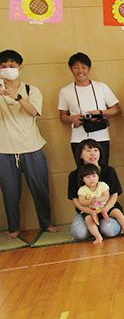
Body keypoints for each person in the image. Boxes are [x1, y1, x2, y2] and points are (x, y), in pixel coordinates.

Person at [0, 50, 59, 239]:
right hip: (5, 150)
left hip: (32, 147)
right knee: (10, 192)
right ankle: (14, 228)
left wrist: (17, 97)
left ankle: (47, 223)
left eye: (12, 65)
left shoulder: (30, 90)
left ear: (20, 66)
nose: (8, 69)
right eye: (3, 66)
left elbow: (33, 112)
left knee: (40, 187)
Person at [57, 52, 121, 166]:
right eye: (76, 67)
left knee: (103, 171)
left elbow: (116, 110)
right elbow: (62, 117)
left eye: (84, 67)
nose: (80, 71)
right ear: (70, 69)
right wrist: (72, 118)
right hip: (78, 138)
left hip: (101, 137)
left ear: (89, 68)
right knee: (83, 173)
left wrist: (101, 113)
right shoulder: (65, 91)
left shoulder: (101, 87)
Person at [67, 139, 124, 241]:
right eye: (88, 151)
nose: (93, 153)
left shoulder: (109, 171)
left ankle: (101, 227)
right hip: (86, 211)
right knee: (79, 234)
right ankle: (94, 229)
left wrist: (105, 210)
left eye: (96, 150)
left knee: (110, 230)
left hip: (107, 209)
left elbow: (114, 195)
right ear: (81, 155)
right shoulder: (74, 175)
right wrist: (90, 211)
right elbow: (76, 200)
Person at [76, 163, 124, 243]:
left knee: (117, 212)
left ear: (98, 176)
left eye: (93, 176)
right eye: (87, 177)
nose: (91, 179)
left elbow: (106, 196)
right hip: (91, 211)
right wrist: (90, 202)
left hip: (104, 207)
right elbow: (81, 201)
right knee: (88, 220)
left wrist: (99, 200)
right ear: (82, 179)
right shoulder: (82, 190)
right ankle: (98, 236)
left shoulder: (103, 185)